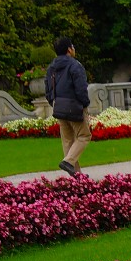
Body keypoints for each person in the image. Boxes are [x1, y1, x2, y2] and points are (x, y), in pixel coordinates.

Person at [45, 37, 92, 179]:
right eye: (73, 46)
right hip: (74, 106)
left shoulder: (51, 67)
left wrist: (54, 103)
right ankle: (68, 161)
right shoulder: (75, 65)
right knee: (84, 135)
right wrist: (85, 104)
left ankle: (77, 176)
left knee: (68, 140)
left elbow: (48, 90)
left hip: (59, 106)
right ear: (69, 49)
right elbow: (81, 88)